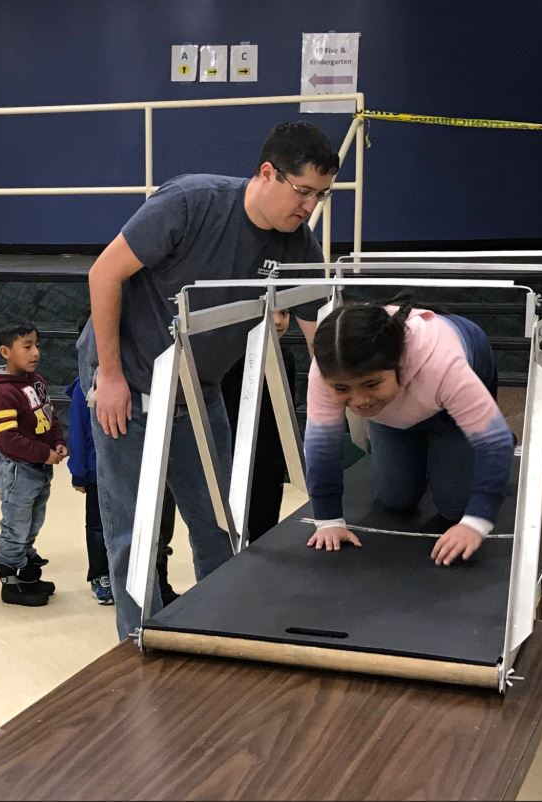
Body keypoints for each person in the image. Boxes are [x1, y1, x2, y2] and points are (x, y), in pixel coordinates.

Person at [77, 120, 338, 639]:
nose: (309, 207)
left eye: (321, 196)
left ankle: (219, 629)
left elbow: (321, 336)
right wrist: (109, 377)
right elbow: (103, 273)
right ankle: (139, 642)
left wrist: (350, 406)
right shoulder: (191, 202)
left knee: (218, 521)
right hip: (126, 379)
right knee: (134, 529)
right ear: (268, 173)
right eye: (303, 191)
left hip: (199, 391)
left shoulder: (297, 243)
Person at [304, 301, 514, 565]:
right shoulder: (327, 372)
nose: (359, 401)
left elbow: (495, 442)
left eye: (371, 384)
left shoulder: (443, 365)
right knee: (395, 500)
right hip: (396, 406)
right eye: (343, 389)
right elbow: (321, 446)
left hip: (449, 387)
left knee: (455, 508)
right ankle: (420, 438)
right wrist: (328, 520)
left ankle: (457, 434)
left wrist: (476, 522)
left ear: (400, 362)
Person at [0, 322, 66, 606]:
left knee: (33, 521)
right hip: (18, 470)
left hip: (39, 467)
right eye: (27, 346)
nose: (35, 352)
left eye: (36, 345)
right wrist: (42, 454)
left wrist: (57, 441)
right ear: (5, 352)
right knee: (16, 525)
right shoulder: (3, 392)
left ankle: (26, 568)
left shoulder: (37, 381)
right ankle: (11, 579)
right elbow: (8, 440)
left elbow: (49, 417)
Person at [220, 307, 296, 541]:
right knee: (231, 532)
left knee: (265, 530)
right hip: (234, 461)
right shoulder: (230, 359)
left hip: (270, 461)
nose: (278, 321)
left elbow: (287, 409)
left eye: (284, 313)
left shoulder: (287, 357)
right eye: (272, 313)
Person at [65, 375, 113, 605]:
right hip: (96, 471)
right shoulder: (82, 386)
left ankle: (120, 574)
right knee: (96, 526)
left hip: (125, 469)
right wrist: (79, 472)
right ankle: (99, 576)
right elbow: (77, 433)